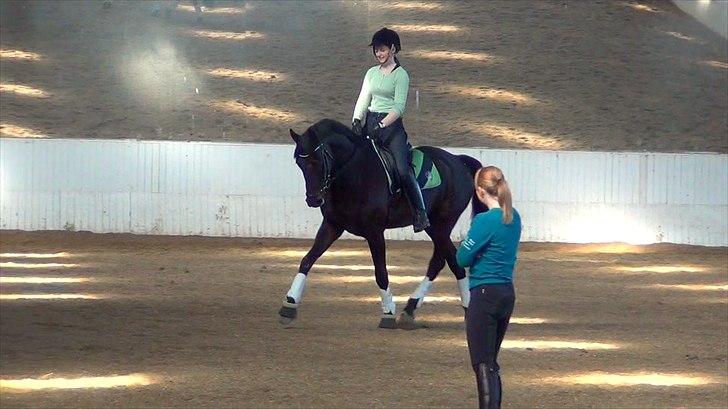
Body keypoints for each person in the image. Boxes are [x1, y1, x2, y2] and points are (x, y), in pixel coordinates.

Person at [351, 27, 430, 232]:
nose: (379, 54)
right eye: (376, 50)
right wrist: (357, 119)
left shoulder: (401, 75)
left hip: (391, 128)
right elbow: (364, 98)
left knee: (403, 171)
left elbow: (399, 107)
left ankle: (420, 213)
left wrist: (382, 124)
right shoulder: (371, 73)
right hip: (370, 122)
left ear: (393, 49)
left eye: (383, 49)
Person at [456, 166, 522, 409]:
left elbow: (462, 258)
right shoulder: (514, 217)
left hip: (484, 294)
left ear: (481, 192)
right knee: (491, 362)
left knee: (482, 363)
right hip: (506, 292)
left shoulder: (484, 221)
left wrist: (465, 243)